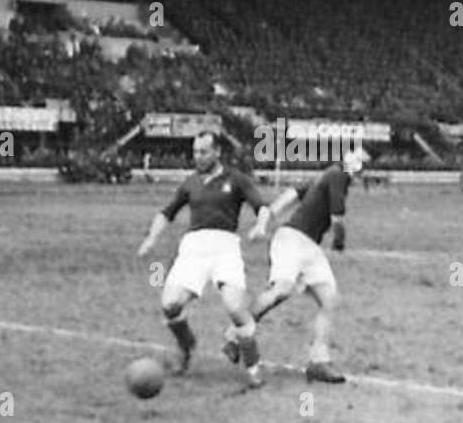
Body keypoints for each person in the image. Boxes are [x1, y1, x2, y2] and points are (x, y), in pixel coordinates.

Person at [137, 131, 273, 389]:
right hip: (193, 248)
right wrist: (151, 238)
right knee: (170, 304)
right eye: (195, 152)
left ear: (217, 152)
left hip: (225, 248)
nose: (198, 157)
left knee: (235, 307)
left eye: (203, 152)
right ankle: (186, 345)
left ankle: (254, 366)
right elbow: (167, 213)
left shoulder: (236, 179)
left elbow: (261, 206)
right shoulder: (190, 183)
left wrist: (260, 226)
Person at [227, 148, 370, 384]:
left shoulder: (325, 175)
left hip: (308, 245)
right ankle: (234, 336)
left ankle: (318, 362)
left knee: (329, 300)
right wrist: (339, 241)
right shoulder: (338, 176)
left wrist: (264, 222)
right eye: (359, 160)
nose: (361, 165)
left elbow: (289, 196)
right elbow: (337, 219)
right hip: (294, 239)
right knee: (282, 289)